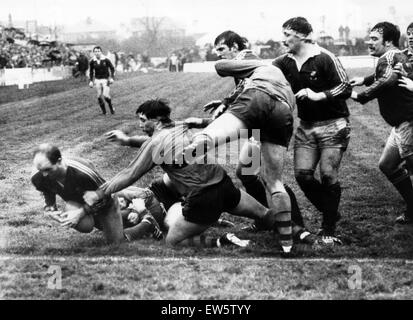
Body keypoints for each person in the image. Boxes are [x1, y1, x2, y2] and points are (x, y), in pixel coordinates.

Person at [83, 99, 288, 253]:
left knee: (172, 241)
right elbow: (215, 124)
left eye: (142, 120)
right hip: (224, 186)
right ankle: (299, 236)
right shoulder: (180, 125)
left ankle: (221, 239)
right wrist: (128, 140)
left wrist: (100, 193)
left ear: (156, 121)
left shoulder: (154, 144)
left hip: (203, 199)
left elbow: (128, 174)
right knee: (264, 213)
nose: (139, 124)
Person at [183, 30, 296, 253]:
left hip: (258, 106)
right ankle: (285, 240)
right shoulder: (266, 71)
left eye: (222, 50)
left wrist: (224, 100)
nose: (219, 55)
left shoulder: (249, 59)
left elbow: (224, 70)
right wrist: (226, 101)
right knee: (254, 175)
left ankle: (200, 142)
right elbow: (243, 91)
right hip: (280, 115)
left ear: (235, 47)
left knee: (212, 139)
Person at [272, 17, 352, 244]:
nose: (283, 38)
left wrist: (319, 95)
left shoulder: (325, 58)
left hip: (334, 124)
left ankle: (328, 228)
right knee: (303, 176)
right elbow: (262, 76)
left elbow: (345, 86)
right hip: (306, 126)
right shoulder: (283, 62)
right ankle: (330, 210)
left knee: (328, 175)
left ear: (302, 36)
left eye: (288, 34)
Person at [184, 116, 316, 245]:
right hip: (256, 132)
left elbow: (240, 119)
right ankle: (263, 221)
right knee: (245, 173)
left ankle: (296, 226)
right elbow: (238, 116)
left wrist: (203, 122)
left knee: (272, 180)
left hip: (269, 132)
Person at [350, 21, 413, 225]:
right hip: (400, 124)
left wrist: (361, 96)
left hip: (408, 123)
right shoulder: (396, 55)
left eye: (374, 39)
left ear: (387, 42)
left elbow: (388, 80)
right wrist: (365, 80)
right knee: (387, 164)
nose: (369, 42)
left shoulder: (394, 56)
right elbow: (387, 74)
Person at [31, 143, 124, 244]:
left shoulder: (82, 173)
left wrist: (80, 213)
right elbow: (47, 191)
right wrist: (51, 209)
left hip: (104, 200)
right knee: (86, 225)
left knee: (116, 242)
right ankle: (103, 218)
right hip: (80, 201)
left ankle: (137, 217)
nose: (44, 175)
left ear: (59, 161)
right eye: (40, 170)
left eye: (48, 170)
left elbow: (106, 194)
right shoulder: (38, 177)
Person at [89, 46, 116, 115]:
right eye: (95, 51)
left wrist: (112, 77)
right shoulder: (92, 61)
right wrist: (91, 81)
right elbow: (91, 71)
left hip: (105, 79)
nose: (97, 53)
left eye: (98, 51)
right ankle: (104, 112)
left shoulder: (106, 59)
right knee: (99, 96)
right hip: (97, 80)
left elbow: (112, 68)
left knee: (105, 95)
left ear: (101, 52)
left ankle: (111, 107)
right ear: (94, 53)